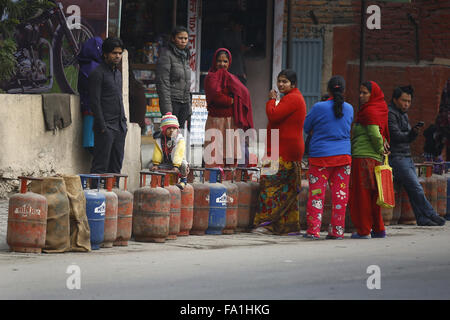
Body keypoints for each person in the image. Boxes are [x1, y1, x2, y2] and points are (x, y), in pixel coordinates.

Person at [252, 69, 306, 235]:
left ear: (293, 84)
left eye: (285, 82)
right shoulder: (292, 98)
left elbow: (273, 115)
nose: (281, 84)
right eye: (279, 81)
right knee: (286, 189)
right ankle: (287, 227)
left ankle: (265, 224)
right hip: (282, 148)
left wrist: (271, 101)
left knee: (269, 185)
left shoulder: (292, 99)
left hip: (282, 151)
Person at [303, 76, 354, 240]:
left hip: (321, 158)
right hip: (343, 157)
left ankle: (313, 231)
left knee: (317, 194)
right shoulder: (350, 108)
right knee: (340, 196)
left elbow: (306, 127)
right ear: (344, 90)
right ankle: (337, 231)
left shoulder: (319, 107)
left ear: (329, 90)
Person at [388, 85, 446, 226]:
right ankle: (431, 214)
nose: (406, 104)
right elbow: (395, 136)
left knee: (412, 188)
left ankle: (421, 218)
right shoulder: (390, 113)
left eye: (409, 101)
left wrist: (413, 133)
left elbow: (407, 138)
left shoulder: (404, 114)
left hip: (406, 156)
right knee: (416, 187)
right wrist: (411, 134)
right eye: (403, 100)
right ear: (395, 99)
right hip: (397, 157)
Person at [349, 81, 390, 239]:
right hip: (374, 160)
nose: (361, 96)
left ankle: (364, 230)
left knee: (363, 197)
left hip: (363, 159)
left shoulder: (370, 111)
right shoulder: (379, 108)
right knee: (374, 196)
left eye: (365, 93)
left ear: (372, 94)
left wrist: (380, 148)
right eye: (360, 92)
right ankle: (379, 229)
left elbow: (374, 133)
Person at [203, 48, 254, 172]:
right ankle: (213, 183)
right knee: (214, 154)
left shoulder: (232, 78)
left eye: (225, 61)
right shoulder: (211, 77)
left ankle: (229, 182)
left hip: (231, 121)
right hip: (215, 121)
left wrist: (236, 99)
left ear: (229, 62)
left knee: (230, 154)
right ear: (214, 62)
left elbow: (244, 93)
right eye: (219, 61)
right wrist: (231, 101)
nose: (222, 64)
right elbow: (215, 96)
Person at [89, 37, 127, 176]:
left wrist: (124, 123)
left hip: (120, 126)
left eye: (119, 53)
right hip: (105, 127)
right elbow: (95, 102)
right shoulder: (97, 74)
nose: (117, 56)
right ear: (105, 54)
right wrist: (102, 126)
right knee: (100, 165)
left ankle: (114, 194)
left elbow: (119, 99)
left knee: (116, 166)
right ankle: (95, 195)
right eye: (114, 53)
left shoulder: (118, 74)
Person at [156, 26, 191, 129]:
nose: (183, 41)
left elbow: (186, 83)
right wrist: (167, 110)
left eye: (185, 38)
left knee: (180, 138)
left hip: (184, 103)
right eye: (180, 38)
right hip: (172, 102)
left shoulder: (185, 56)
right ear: (173, 39)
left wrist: (189, 108)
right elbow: (163, 83)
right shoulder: (166, 55)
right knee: (170, 136)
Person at [77, 36, 103, 153]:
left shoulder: (84, 66)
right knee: (97, 149)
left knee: (92, 147)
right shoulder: (96, 68)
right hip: (96, 111)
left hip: (88, 109)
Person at [150, 113, 189, 190]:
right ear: (164, 129)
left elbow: (179, 153)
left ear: (177, 129)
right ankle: (156, 182)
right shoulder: (159, 140)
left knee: (184, 165)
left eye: (174, 128)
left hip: (178, 163)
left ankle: (183, 181)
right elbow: (157, 152)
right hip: (165, 163)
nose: (171, 130)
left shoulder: (179, 139)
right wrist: (156, 164)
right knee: (152, 167)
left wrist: (176, 166)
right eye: (169, 128)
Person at [217, 14, 250, 85]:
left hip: (239, 72)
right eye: (238, 26)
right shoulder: (224, 34)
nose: (240, 29)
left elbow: (241, 57)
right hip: (230, 70)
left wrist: (244, 71)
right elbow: (223, 51)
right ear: (232, 23)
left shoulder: (238, 34)